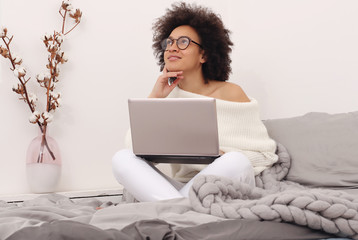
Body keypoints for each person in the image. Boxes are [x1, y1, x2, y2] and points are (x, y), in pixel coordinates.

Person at [112, 2, 278, 202]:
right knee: (121, 158)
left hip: (224, 183)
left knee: (236, 160)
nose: (172, 47)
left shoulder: (231, 93)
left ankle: (170, 208)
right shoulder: (167, 98)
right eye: (169, 42)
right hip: (184, 189)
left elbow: (265, 156)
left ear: (204, 54)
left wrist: (224, 154)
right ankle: (180, 208)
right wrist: (156, 97)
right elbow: (135, 147)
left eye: (183, 42)